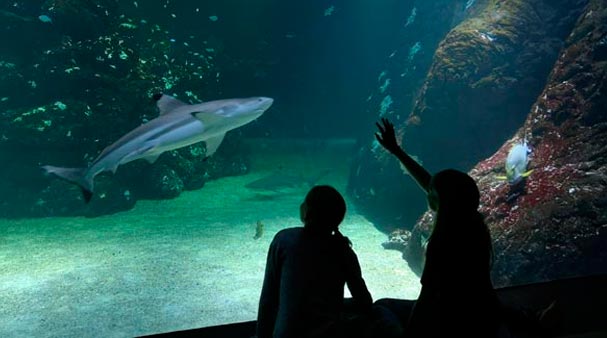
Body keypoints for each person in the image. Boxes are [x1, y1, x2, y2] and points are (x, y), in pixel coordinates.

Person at [374, 118, 501, 337]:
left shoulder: (441, 244)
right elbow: (434, 185)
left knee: (381, 308)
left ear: (437, 201)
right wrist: (397, 151)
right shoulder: (475, 229)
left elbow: (427, 297)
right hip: (479, 318)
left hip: (446, 322)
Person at [256, 185, 373, 338]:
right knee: (383, 309)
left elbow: (268, 298)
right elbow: (365, 302)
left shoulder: (284, 240)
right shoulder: (343, 251)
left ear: (306, 211)